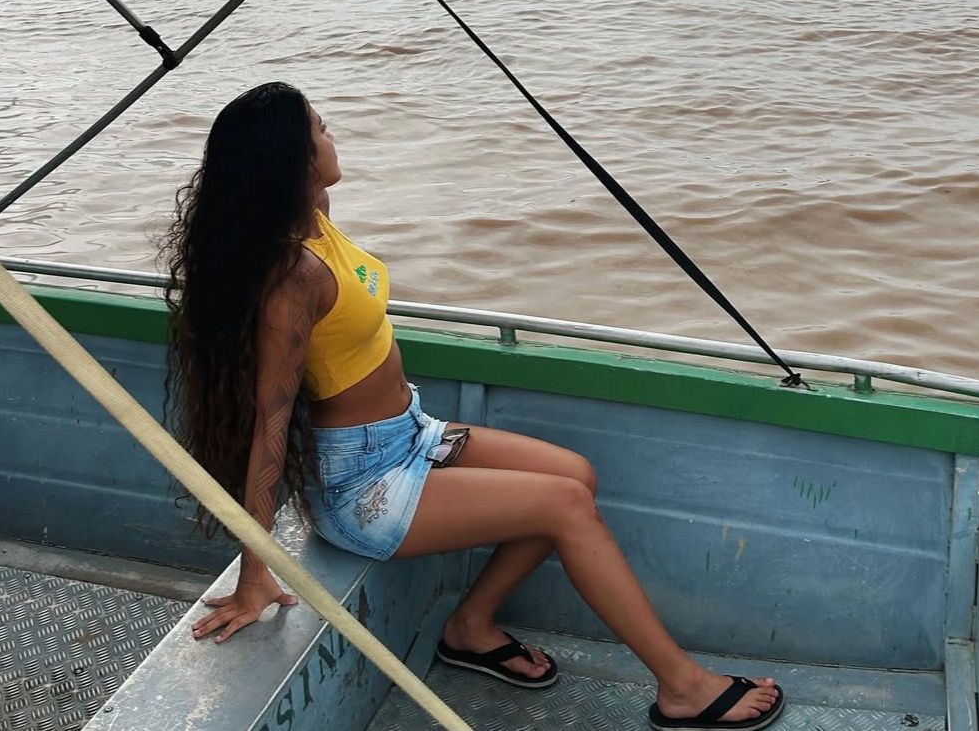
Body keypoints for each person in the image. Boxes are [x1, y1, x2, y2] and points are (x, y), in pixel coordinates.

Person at [162, 82, 783, 730]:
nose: (331, 135)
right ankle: (682, 687)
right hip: (362, 484)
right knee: (567, 507)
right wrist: (255, 573)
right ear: (292, 157)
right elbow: (269, 423)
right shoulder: (293, 277)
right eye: (320, 128)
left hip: (410, 434)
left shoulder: (314, 211)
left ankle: (469, 626)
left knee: (576, 476)